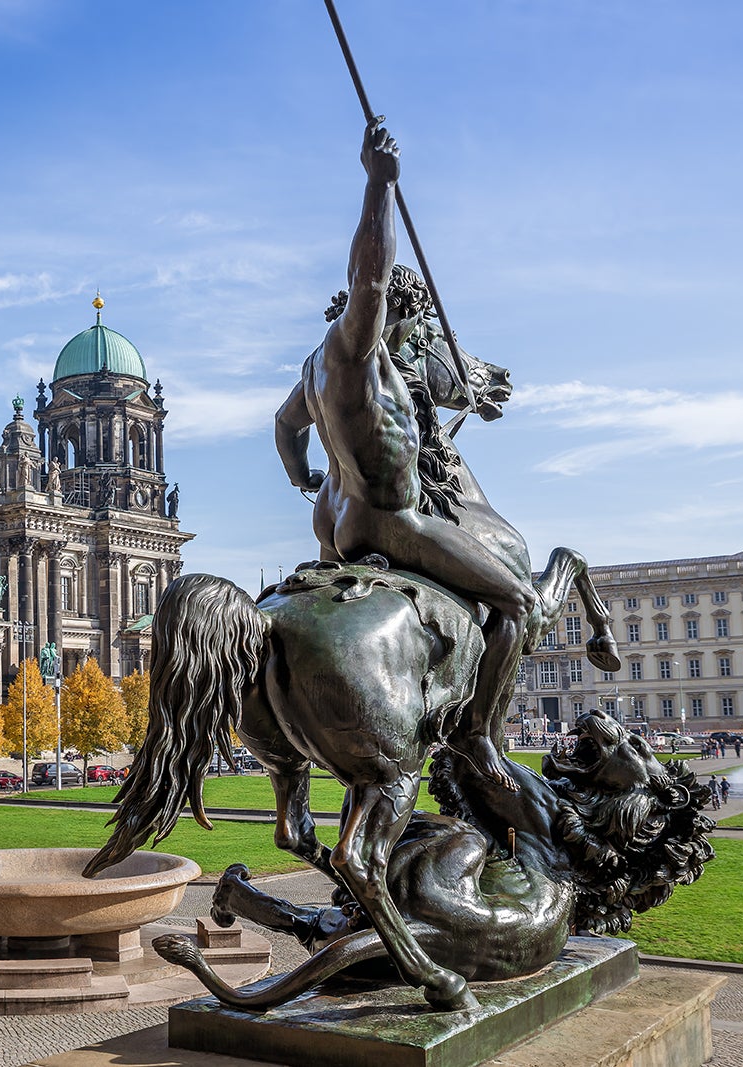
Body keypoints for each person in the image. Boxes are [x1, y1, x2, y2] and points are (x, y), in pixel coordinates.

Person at [274, 117, 535, 792]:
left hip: (335, 526)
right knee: (517, 600)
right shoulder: (354, 346)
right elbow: (367, 277)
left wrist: (304, 476)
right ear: (400, 311)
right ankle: (478, 736)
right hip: (392, 522)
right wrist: (378, 186)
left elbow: (284, 425)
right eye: (411, 322)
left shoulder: (314, 371)